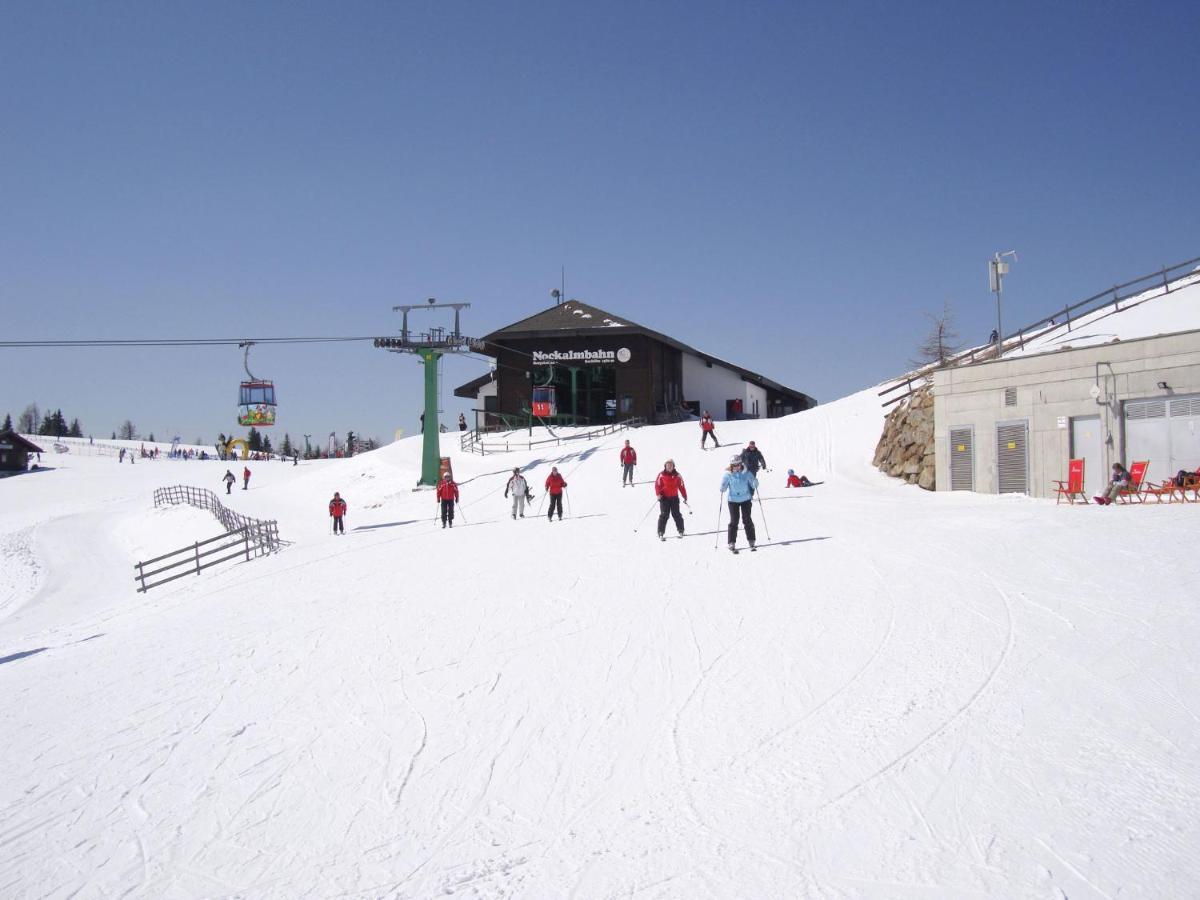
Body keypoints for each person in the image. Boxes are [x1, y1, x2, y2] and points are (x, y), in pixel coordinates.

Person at [721, 455, 759, 551]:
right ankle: (731, 542)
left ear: (741, 464)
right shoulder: (727, 474)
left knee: (747, 519)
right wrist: (722, 486)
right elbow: (724, 487)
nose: (736, 467)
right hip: (733, 501)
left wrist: (755, 482)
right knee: (734, 521)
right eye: (734, 465)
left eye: (738, 464)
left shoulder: (746, 473)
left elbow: (753, 483)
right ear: (731, 465)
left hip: (746, 499)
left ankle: (751, 540)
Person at [654, 459, 688, 540]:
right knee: (664, 514)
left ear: (673, 466)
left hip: (674, 498)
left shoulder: (677, 475)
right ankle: (660, 532)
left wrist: (684, 496)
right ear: (665, 466)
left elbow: (681, 486)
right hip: (664, 498)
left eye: (671, 465)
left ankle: (681, 530)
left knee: (676, 514)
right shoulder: (661, 475)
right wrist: (658, 494)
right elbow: (657, 485)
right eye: (668, 465)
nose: (669, 467)